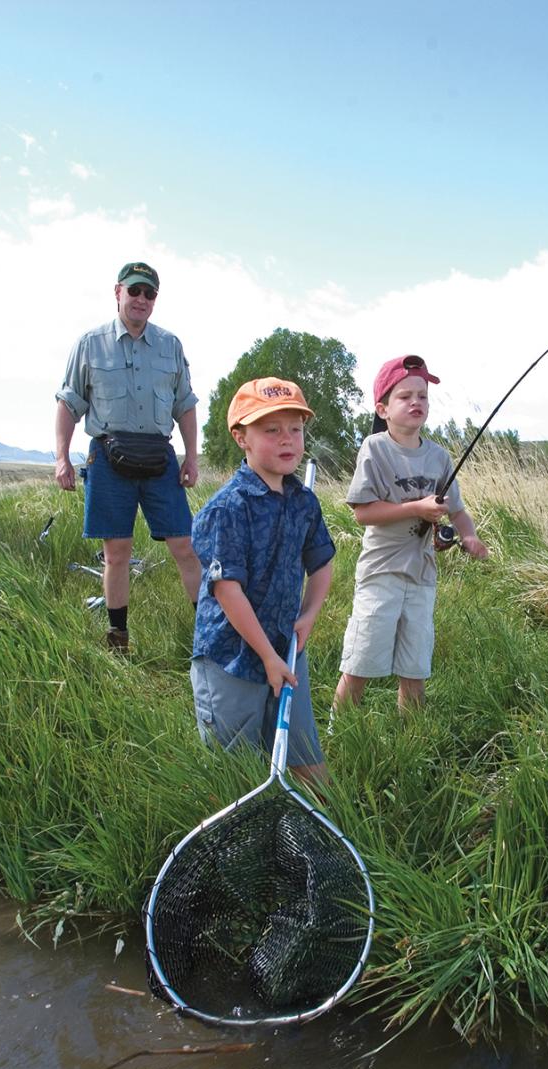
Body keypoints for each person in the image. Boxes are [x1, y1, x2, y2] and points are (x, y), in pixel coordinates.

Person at [190, 377, 335, 787]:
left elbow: (321, 564)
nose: (287, 439)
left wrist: (308, 617)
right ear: (242, 438)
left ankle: (321, 829)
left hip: (287, 650)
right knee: (237, 770)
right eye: (271, 430)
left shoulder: (304, 503)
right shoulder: (227, 508)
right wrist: (266, 657)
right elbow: (226, 588)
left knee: (305, 758)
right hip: (230, 657)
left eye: (296, 429)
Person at [54, 261, 202, 652]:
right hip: (108, 458)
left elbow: (184, 405)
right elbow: (69, 403)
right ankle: (118, 637)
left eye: (149, 293)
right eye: (134, 291)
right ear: (117, 292)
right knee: (116, 554)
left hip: (159, 459)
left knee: (186, 546)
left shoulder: (171, 345)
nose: (141, 299)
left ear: (155, 300)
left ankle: (210, 632)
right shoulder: (90, 344)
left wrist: (192, 457)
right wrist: (61, 457)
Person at [333, 353, 488, 713]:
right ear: (383, 408)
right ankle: (339, 731)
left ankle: (411, 736)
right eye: (405, 396)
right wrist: (416, 508)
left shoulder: (438, 457)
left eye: (422, 396)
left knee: (414, 666)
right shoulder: (374, 449)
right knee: (360, 662)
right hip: (380, 573)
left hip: (422, 576)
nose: (416, 402)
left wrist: (469, 537)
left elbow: (458, 511)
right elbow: (362, 513)